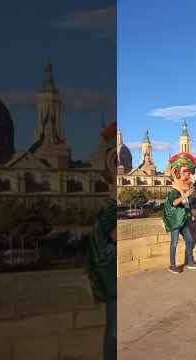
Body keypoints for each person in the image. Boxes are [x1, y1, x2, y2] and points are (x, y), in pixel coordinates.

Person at [88, 121, 117, 360]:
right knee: (115, 331)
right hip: (112, 276)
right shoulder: (111, 205)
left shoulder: (112, 204)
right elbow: (104, 235)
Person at [163, 152, 196, 274]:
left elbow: (185, 204)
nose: (190, 177)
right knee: (174, 243)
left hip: (183, 220)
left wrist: (189, 202)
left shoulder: (182, 191)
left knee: (190, 240)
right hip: (175, 221)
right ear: (176, 173)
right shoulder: (174, 191)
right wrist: (185, 195)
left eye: (190, 173)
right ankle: (172, 265)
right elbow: (174, 203)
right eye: (187, 173)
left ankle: (190, 262)